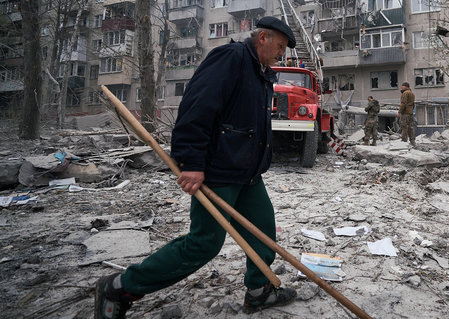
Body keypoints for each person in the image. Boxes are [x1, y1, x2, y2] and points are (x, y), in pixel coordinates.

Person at [94, 16, 298, 318]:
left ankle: (259, 291)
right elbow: (197, 106)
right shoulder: (231, 58)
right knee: (204, 244)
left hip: (248, 174)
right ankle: (120, 287)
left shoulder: (262, 74)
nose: (283, 53)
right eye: (280, 46)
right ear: (263, 38)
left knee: (263, 230)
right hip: (219, 171)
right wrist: (190, 162)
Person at [397, 82, 416, 146]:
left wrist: (399, 112)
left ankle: (404, 141)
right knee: (411, 127)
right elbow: (413, 104)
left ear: (405, 86)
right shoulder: (412, 93)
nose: (401, 87)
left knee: (404, 126)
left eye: (402, 86)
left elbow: (403, 103)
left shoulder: (405, 93)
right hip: (410, 113)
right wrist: (411, 110)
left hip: (405, 113)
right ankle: (412, 141)